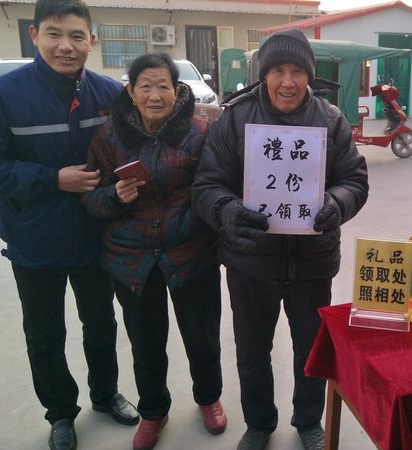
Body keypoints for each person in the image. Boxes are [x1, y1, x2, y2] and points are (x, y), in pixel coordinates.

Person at [191, 28, 368, 450]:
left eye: (297, 72)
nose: (288, 82)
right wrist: (227, 211)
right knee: (252, 351)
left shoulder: (330, 119)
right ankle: (259, 423)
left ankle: (308, 420)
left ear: (309, 76)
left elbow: (354, 179)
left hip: (312, 261)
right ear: (263, 75)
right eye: (278, 71)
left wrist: (337, 204)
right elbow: (206, 185)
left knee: (311, 347)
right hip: (250, 261)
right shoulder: (235, 119)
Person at [0, 1, 139, 449]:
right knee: (44, 332)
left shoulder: (110, 94)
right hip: (34, 237)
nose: (65, 46)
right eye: (54, 34)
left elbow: (128, 152)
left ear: (91, 41)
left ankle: (106, 394)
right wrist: (53, 179)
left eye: (76, 36)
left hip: (95, 234)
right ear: (34, 36)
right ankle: (60, 413)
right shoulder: (2, 95)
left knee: (101, 322)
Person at [82, 53, 227, 450]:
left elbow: (216, 187)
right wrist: (114, 197)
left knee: (202, 336)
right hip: (131, 260)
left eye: (163, 86)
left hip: (191, 252)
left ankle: (208, 397)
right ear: (130, 91)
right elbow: (90, 199)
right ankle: (153, 410)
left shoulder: (200, 133)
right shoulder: (108, 136)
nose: (155, 95)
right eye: (145, 86)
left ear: (177, 91)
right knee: (145, 343)